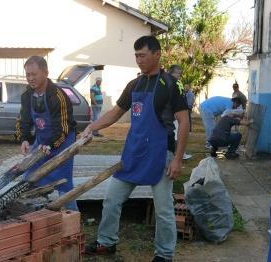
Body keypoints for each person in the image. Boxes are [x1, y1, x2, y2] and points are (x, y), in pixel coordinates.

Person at [83, 36, 189, 262]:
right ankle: (106, 242)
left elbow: (185, 122)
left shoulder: (170, 85)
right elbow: (115, 113)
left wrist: (177, 159)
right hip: (134, 153)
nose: (138, 60)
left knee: (163, 209)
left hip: (161, 155)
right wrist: (91, 127)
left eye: (142, 55)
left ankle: (164, 254)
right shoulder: (134, 84)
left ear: (157, 54)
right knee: (111, 199)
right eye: (136, 56)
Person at [15, 56, 78, 211]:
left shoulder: (58, 96)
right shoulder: (27, 95)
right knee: (30, 177)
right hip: (42, 141)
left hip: (62, 143)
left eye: (34, 74)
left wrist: (49, 145)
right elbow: (23, 120)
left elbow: (62, 129)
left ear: (46, 73)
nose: (30, 78)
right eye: (28, 74)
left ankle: (73, 217)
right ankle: (41, 214)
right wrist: (24, 139)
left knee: (64, 184)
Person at [168, 64, 193, 160]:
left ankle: (178, 154)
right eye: (178, 73)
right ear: (172, 72)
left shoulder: (175, 82)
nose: (179, 75)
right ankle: (178, 154)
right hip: (173, 114)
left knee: (177, 134)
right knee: (176, 134)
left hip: (176, 113)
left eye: (180, 74)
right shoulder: (172, 83)